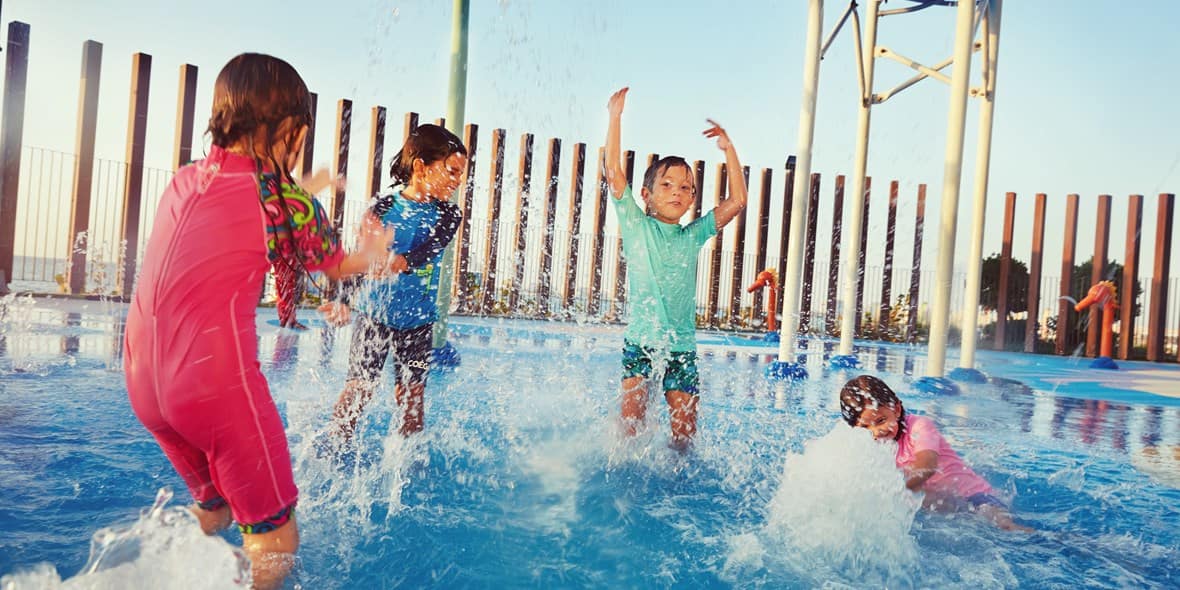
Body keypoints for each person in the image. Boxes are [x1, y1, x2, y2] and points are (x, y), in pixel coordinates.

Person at [123, 53, 394, 589]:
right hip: (213, 388)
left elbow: (239, 212)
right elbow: (333, 264)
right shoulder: (285, 199)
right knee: (274, 538)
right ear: (289, 130)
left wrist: (304, 190)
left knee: (219, 510)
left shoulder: (182, 181)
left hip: (143, 386)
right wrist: (374, 251)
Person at [603, 87, 748, 450]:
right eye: (666, 184)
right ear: (647, 195)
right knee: (630, 429)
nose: (677, 192)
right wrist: (615, 117)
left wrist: (729, 149)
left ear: (692, 200)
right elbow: (613, 171)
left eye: (686, 187)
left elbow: (739, 201)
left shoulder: (693, 234)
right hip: (641, 343)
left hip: (681, 348)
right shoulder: (637, 224)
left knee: (684, 439)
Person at [318, 124, 466, 441]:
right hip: (374, 315)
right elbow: (361, 260)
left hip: (418, 322)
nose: (457, 182)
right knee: (360, 389)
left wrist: (402, 261)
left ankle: (408, 466)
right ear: (420, 167)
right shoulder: (383, 208)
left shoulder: (449, 214)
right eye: (452, 172)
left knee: (412, 399)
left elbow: (434, 247)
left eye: (461, 175)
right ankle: (332, 448)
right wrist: (344, 300)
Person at [839, 375, 1032, 531]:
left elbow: (927, 466)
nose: (876, 431)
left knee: (1005, 527)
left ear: (896, 409)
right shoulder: (874, 443)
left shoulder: (920, 427)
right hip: (939, 503)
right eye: (865, 427)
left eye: (881, 420)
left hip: (975, 497)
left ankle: (1050, 541)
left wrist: (894, 493)